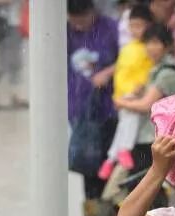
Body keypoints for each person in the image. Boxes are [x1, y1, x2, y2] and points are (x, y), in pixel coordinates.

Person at [114, 22, 175, 177]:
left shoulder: (167, 73)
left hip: (154, 140)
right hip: (150, 138)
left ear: (167, 46)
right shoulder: (156, 70)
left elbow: (146, 105)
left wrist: (121, 102)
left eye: (155, 43)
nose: (150, 48)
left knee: (148, 189)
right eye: (148, 43)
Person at [67, 0, 120, 202]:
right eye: (74, 21)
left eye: (83, 20)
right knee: (88, 164)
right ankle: (93, 211)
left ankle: (112, 210)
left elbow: (128, 58)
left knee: (111, 162)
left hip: (110, 108)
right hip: (79, 110)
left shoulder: (111, 28)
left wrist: (107, 72)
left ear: (93, 12)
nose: (79, 26)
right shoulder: (63, 33)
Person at [98, 3, 153, 180]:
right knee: (127, 125)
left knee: (126, 126)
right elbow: (121, 71)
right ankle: (121, 151)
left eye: (139, 25)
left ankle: (110, 159)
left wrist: (140, 87)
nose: (135, 30)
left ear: (149, 25)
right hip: (124, 94)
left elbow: (148, 70)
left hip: (135, 93)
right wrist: (119, 94)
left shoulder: (148, 48)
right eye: (132, 26)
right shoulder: (128, 48)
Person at [0, 0, 27, 107]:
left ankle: (15, 93)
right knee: (4, 63)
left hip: (16, 26)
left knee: (17, 62)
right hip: (3, 26)